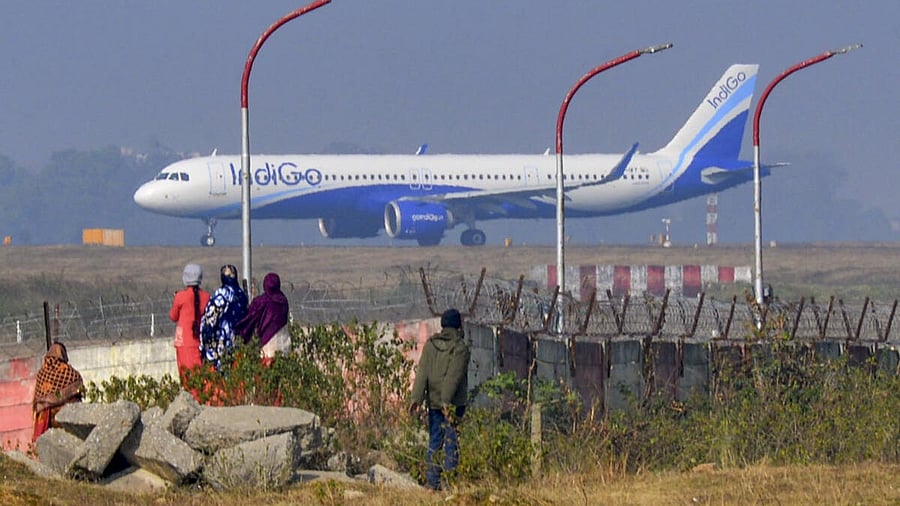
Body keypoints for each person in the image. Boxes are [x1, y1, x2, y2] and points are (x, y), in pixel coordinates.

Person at [408, 308, 470, 491]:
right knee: (451, 441)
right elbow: (453, 377)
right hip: (451, 405)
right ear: (458, 325)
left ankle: (432, 483)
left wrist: (416, 399)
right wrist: (446, 403)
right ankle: (450, 483)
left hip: (434, 403)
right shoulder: (460, 348)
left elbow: (422, 373)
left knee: (435, 441)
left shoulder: (431, 345)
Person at [169, 263, 210, 393]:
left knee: (186, 377)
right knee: (200, 376)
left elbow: (173, 316)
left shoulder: (181, 296)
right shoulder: (207, 296)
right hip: (200, 341)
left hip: (183, 342)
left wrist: (176, 299)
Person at [199, 264, 248, 371]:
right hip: (239, 340)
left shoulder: (221, 294)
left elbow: (210, 317)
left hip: (222, 339)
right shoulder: (241, 295)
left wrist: (205, 336)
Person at [32, 341, 83, 442]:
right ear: (63, 354)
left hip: (45, 418)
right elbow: (77, 386)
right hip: (65, 417)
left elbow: (38, 398)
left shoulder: (41, 373)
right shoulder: (68, 372)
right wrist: (57, 397)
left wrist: (48, 400)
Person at [236, 272, 291, 360]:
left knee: (268, 365)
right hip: (284, 340)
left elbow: (250, 317)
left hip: (268, 341)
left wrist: (241, 330)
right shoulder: (283, 300)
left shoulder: (262, 301)